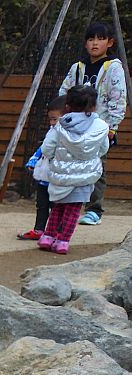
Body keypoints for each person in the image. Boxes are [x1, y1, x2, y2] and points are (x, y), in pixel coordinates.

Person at [57, 22, 127, 225]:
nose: (95, 43)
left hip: (99, 129)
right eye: (91, 39)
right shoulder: (77, 68)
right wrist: (64, 117)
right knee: (70, 164)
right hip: (75, 127)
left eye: (100, 39)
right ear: (85, 43)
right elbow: (64, 92)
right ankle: (67, 206)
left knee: (97, 167)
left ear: (110, 43)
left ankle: (94, 210)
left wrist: (112, 127)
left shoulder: (113, 68)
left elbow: (118, 98)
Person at [37, 84, 110, 254]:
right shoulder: (100, 126)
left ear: (67, 105)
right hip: (85, 176)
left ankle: (48, 237)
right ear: (94, 106)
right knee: (73, 210)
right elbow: (103, 148)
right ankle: (62, 242)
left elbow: (47, 148)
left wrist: (55, 158)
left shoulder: (61, 124)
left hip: (61, 175)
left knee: (58, 206)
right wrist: (91, 157)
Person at [18, 96, 67, 242]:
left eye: (54, 119)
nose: (52, 123)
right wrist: (34, 160)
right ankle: (39, 230)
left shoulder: (68, 134)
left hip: (57, 177)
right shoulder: (52, 131)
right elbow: (43, 147)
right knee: (41, 205)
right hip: (44, 175)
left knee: (56, 207)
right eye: (50, 119)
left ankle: (55, 233)